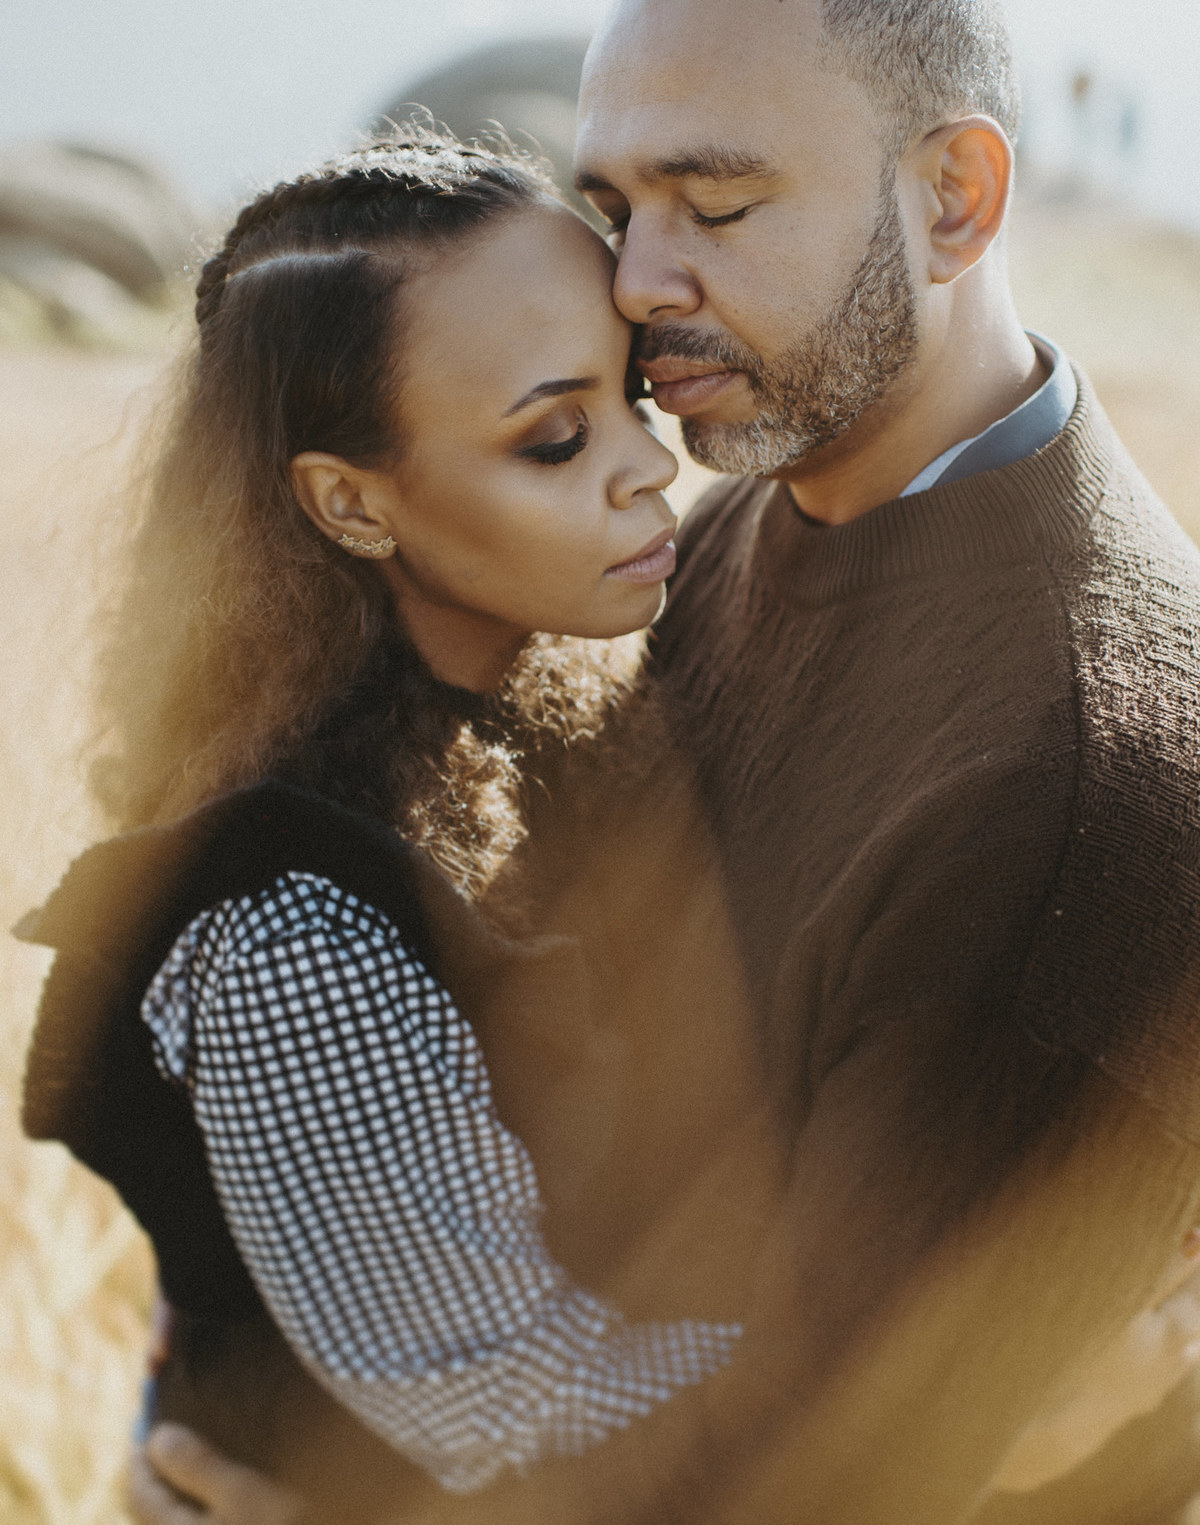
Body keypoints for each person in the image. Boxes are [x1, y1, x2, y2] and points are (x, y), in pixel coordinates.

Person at [131, 0, 1200, 1520]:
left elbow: (851, 1473)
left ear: (953, 198)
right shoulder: (754, 520)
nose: (635, 283)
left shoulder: (1082, 789)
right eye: (616, 206)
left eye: (717, 204)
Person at [19, 131, 769, 1522]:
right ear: (351, 501)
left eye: (634, 399)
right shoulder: (295, 938)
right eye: (555, 436)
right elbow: (520, 1401)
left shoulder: (545, 713)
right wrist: (1005, 1350)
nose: (648, 472)